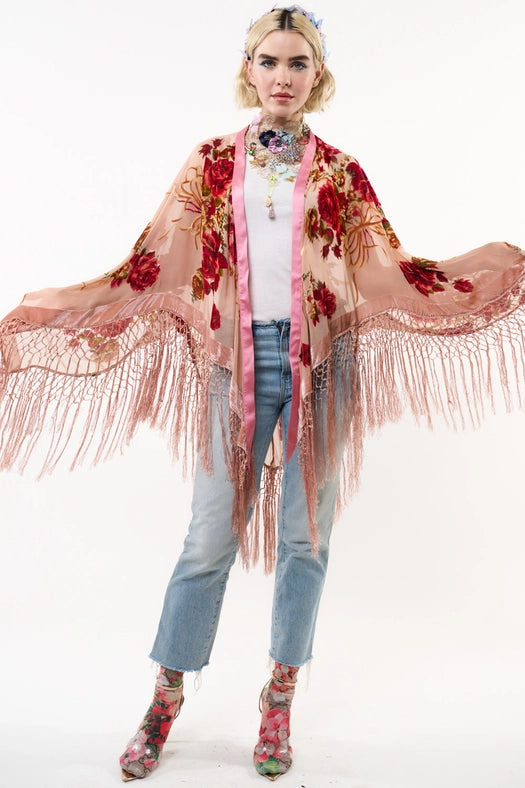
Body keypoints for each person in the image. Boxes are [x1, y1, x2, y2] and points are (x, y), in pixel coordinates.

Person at [0, 4, 524, 783]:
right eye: (269, 61)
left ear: (318, 76)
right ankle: (165, 699)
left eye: (297, 63)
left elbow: (389, 270)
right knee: (208, 537)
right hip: (233, 364)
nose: (282, 76)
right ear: (248, 71)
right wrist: (64, 308)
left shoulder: (340, 172)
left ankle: (278, 701)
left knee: (305, 539)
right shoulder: (212, 162)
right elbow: (153, 261)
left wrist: (486, 277)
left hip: (323, 367)